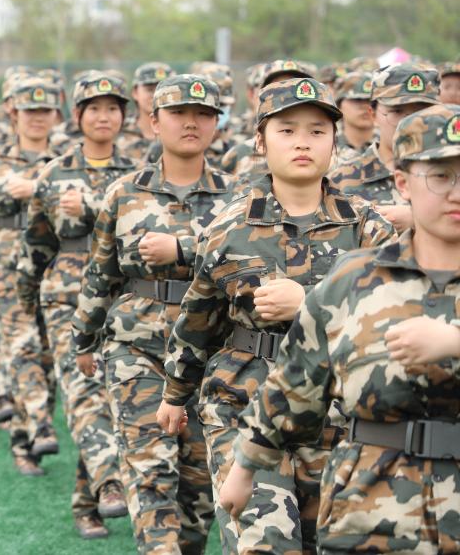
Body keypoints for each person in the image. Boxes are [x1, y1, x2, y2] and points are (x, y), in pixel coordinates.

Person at [158, 77, 395, 554]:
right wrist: (175, 393)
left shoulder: (369, 227)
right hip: (242, 403)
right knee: (266, 541)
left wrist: (308, 301)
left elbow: (395, 315)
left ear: (335, 141)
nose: (303, 142)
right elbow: (199, 319)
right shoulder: (229, 226)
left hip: (336, 413)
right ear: (261, 142)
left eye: (317, 131)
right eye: (287, 130)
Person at [220, 103, 460, 553]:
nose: (456, 192)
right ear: (403, 182)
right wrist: (246, 466)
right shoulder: (356, 278)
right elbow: (296, 382)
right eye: (440, 175)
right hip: (370, 508)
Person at [71, 75, 233, 553]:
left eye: (203, 114)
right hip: (137, 348)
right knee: (149, 474)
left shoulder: (238, 196)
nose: (191, 123)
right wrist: (84, 338)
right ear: (154, 122)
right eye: (178, 113)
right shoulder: (125, 192)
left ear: (216, 124)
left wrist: (183, 249)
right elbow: (101, 273)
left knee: (198, 490)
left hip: (210, 356)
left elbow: (248, 263)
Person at [18, 71, 136, 538]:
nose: (104, 117)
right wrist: (28, 301)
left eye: (113, 109)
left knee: (114, 397)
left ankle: (86, 504)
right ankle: (110, 481)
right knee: (84, 391)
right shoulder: (54, 173)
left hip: (123, 298)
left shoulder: (138, 174)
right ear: (78, 115)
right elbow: (35, 246)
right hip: (67, 296)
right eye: (95, 109)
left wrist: (90, 206)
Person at [0, 77, 60, 476]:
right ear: (13, 113)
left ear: (56, 115)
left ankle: (23, 442)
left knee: (47, 359)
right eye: (29, 111)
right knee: (22, 346)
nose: (37, 118)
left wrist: (38, 190)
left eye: (44, 111)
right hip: (5, 266)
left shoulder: (67, 162)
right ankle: (41, 421)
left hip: (55, 267)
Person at [328, 63, 441, 232]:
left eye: (421, 112)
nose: (409, 123)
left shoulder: (454, 174)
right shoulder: (341, 181)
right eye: (397, 111)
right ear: (373, 114)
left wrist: (419, 219)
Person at [120, 62, 173, 164]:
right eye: (150, 90)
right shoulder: (118, 131)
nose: (156, 95)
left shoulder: (182, 132)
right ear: (135, 92)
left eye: (164, 90)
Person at [332, 70, 376, 159]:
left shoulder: (390, 144)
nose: (366, 106)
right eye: (357, 100)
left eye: (371, 100)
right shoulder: (327, 144)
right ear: (339, 105)